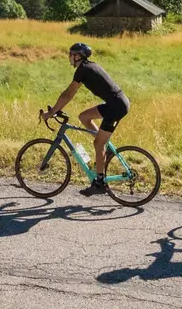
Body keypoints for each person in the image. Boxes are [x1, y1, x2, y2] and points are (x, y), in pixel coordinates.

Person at [41, 42, 129, 196]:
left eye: (71, 54)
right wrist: (56, 109)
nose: (69, 58)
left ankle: (100, 183)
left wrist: (52, 112)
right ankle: (105, 149)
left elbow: (68, 94)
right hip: (116, 102)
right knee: (84, 116)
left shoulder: (83, 70)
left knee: (97, 143)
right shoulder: (89, 67)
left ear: (78, 56)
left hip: (116, 107)